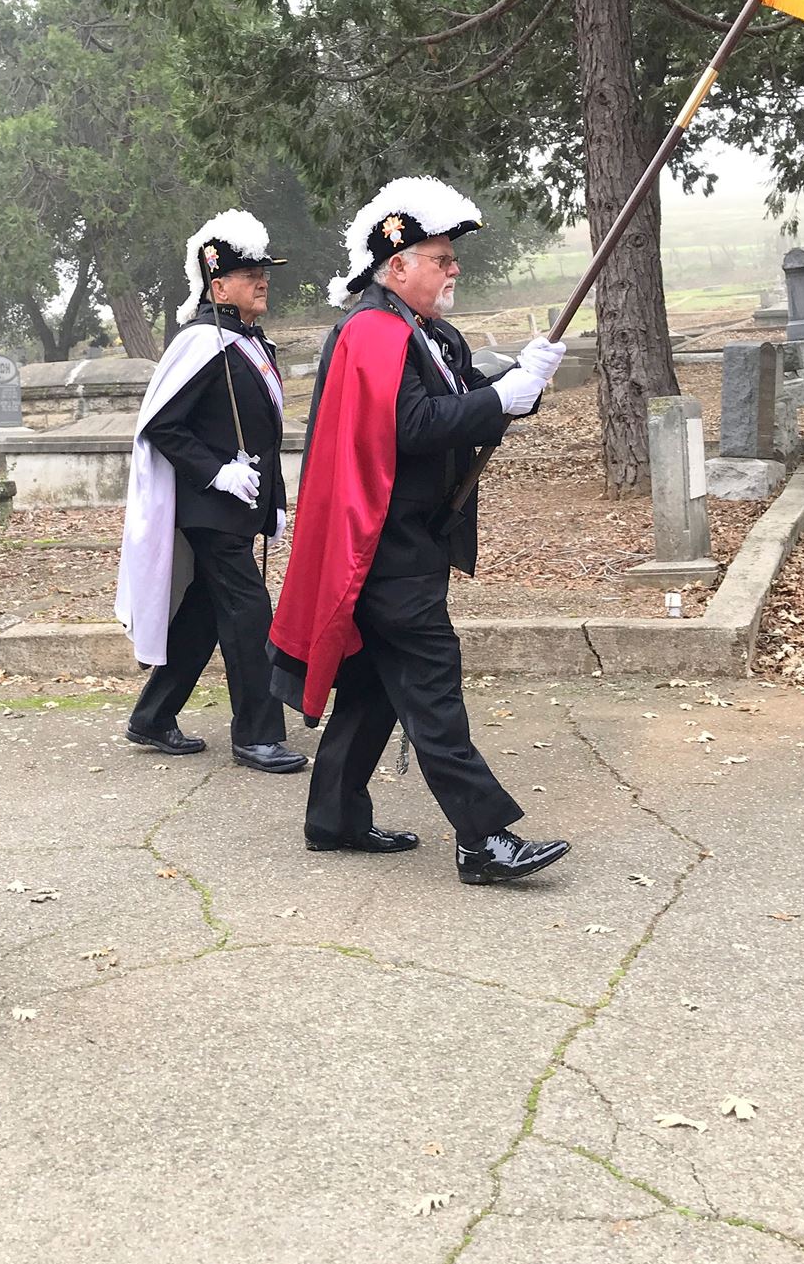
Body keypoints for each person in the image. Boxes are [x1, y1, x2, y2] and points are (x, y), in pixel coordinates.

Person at [270, 176, 572, 883]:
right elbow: (411, 427)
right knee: (433, 687)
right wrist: (503, 396)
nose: (453, 268)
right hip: (386, 546)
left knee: (375, 684)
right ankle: (483, 838)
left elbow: (460, 403)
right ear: (396, 264)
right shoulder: (375, 332)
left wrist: (518, 383)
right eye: (440, 257)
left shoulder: (421, 332)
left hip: (404, 539)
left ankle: (334, 816)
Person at [116, 210, 307, 772]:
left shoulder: (253, 343)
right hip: (207, 506)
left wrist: (271, 502)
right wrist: (216, 471)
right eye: (250, 274)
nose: (262, 280)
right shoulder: (203, 342)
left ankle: (152, 716)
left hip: (238, 506)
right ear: (218, 285)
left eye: (263, 272)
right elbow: (162, 425)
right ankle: (256, 733)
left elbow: (264, 436)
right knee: (249, 612)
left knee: (203, 612)